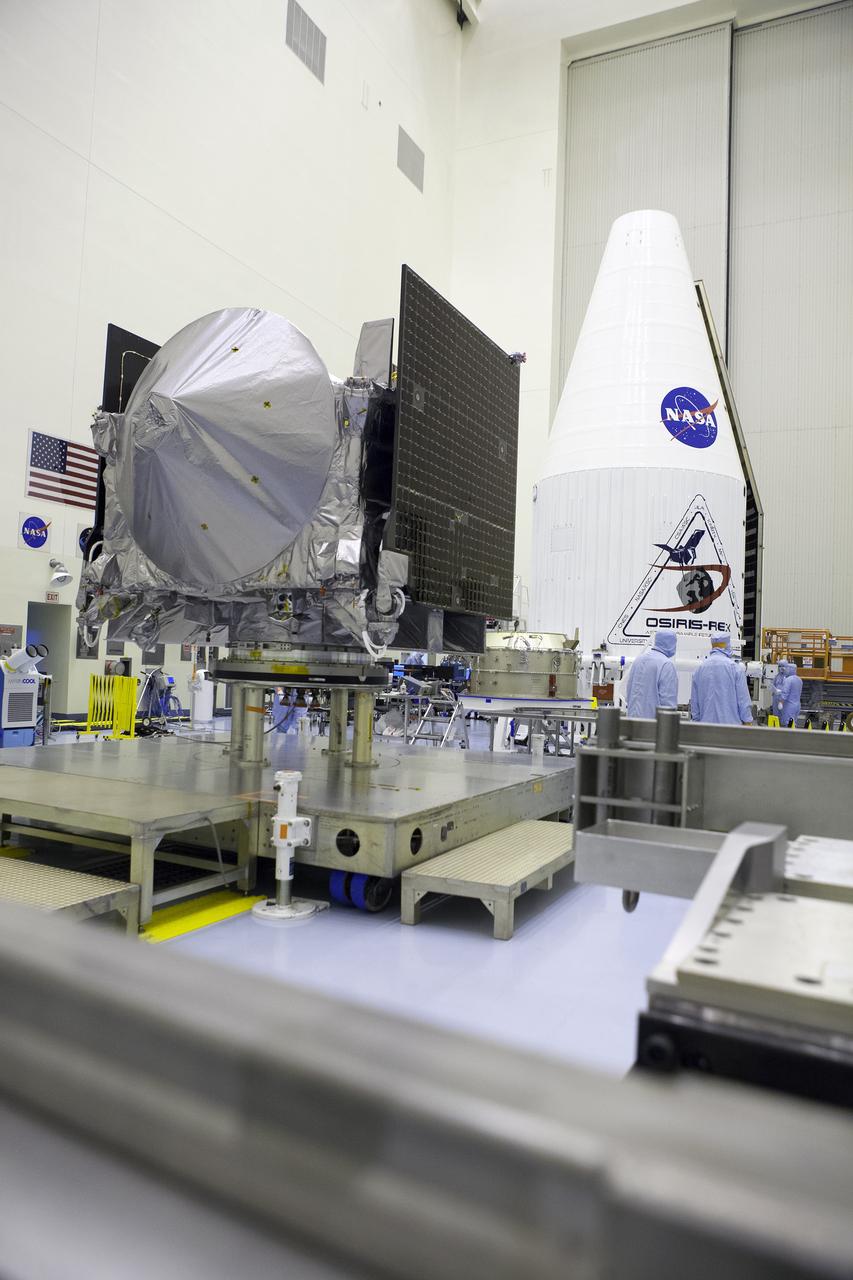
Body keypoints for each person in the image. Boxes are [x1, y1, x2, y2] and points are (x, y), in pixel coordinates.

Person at [690, 635, 753, 725]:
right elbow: (743, 700)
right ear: (727, 645)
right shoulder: (735, 669)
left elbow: (695, 704)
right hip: (730, 730)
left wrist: (696, 722)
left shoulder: (699, 669)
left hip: (705, 728)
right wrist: (747, 721)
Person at [625, 633, 678, 718]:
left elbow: (628, 691)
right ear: (670, 643)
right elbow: (668, 703)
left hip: (632, 721)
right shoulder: (666, 664)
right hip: (653, 725)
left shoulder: (638, 660)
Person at [775, 660, 803, 727]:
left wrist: (781, 702)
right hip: (797, 705)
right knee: (793, 723)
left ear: (790, 669)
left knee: (787, 724)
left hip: (789, 706)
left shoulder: (788, 680)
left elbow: (785, 692)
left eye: (786, 668)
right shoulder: (799, 679)